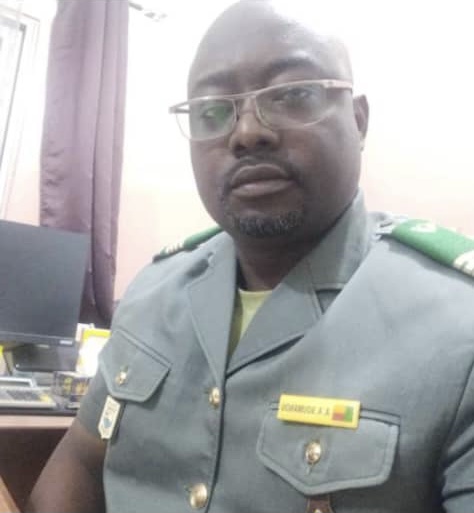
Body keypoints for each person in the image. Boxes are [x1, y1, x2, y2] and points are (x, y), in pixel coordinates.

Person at [26, 1, 474, 512]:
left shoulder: (458, 331)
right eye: (213, 111)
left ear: (359, 120)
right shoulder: (152, 293)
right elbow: (82, 459)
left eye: (292, 95)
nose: (246, 132)